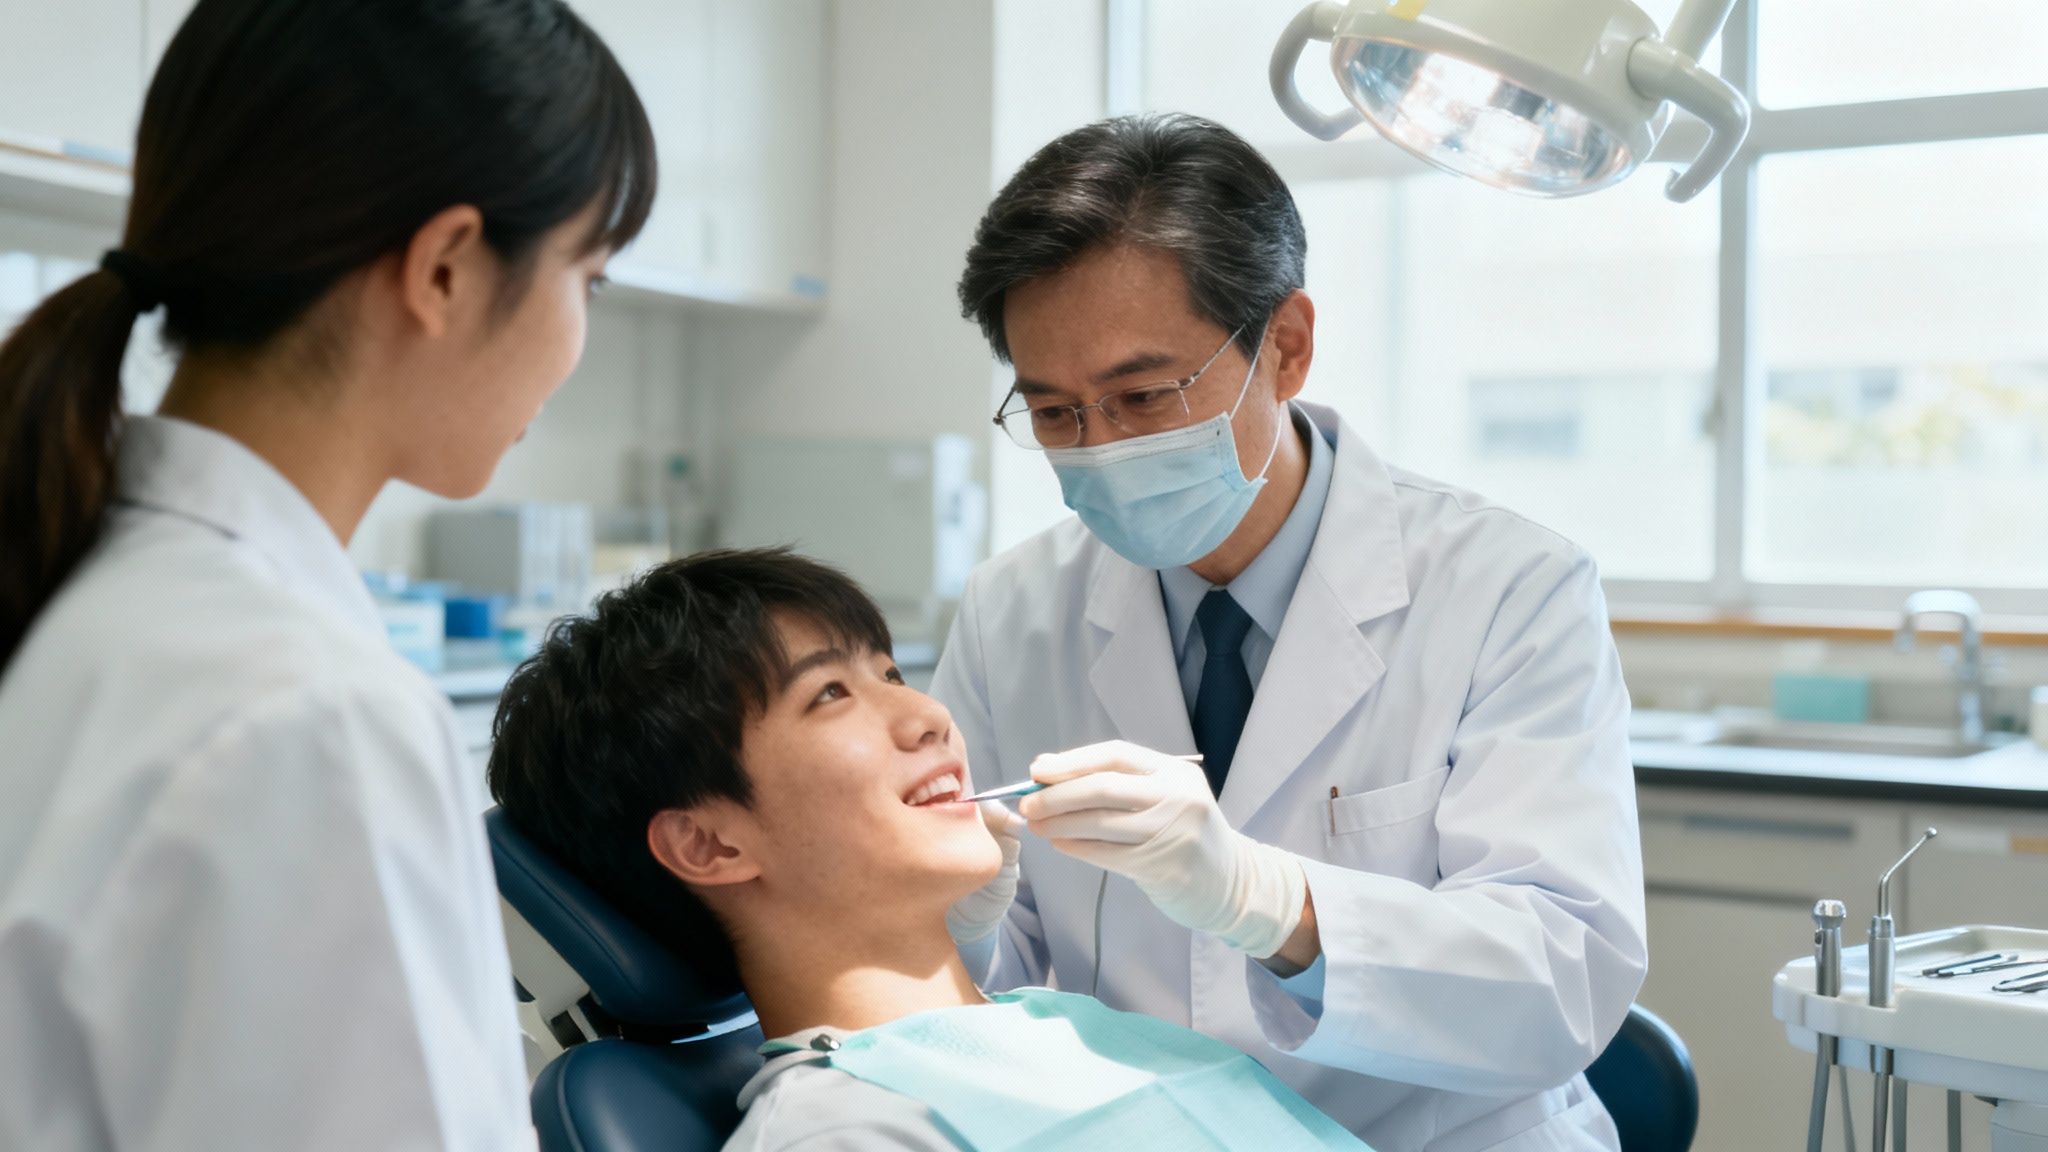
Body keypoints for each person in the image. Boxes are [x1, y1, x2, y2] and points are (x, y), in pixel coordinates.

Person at [0, 2, 654, 1147]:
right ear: (445, 268)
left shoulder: (90, 598)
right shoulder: (307, 711)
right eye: (586, 278)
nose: (577, 332)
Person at [931, 113, 1647, 1150]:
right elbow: (1001, 1000)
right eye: (1053, 414)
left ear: (1287, 347)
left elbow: (1559, 979)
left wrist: (1271, 904)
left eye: (1142, 395)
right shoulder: (1012, 612)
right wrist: (960, 928)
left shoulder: (1508, 588)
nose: (1100, 448)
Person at [488, 548, 1374, 1151]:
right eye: (830, 695)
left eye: (890, 673)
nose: (928, 717)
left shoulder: (1076, 1026)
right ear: (709, 842)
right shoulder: (841, 1132)